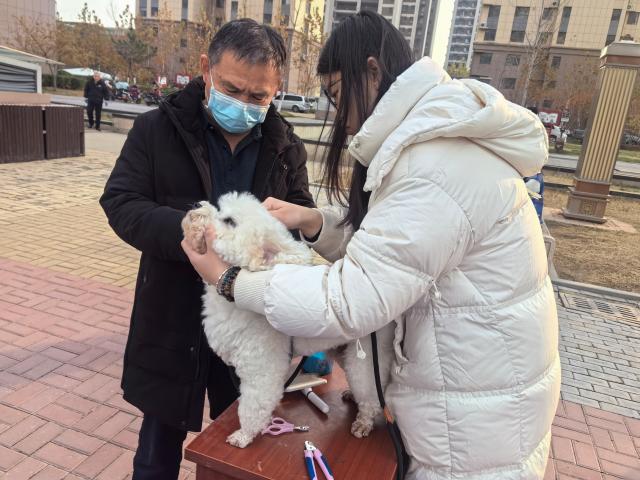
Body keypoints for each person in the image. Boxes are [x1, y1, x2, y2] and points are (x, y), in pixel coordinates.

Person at [182, 11, 560, 480]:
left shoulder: (436, 167)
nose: (339, 116)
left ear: (373, 72)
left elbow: (350, 301)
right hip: (474, 396)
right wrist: (315, 221)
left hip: (472, 424)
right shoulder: (433, 148)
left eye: (337, 95)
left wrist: (229, 280)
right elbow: (392, 250)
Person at [100, 19, 314, 480]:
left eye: (258, 96)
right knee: (156, 453)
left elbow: (297, 221)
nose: (244, 104)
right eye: (232, 90)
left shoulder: (286, 148)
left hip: (248, 319)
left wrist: (298, 231)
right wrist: (185, 231)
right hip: (172, 313)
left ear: (276, 90)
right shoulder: (156, 129)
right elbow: (121, 202)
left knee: (237, 452)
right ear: (206, 69)